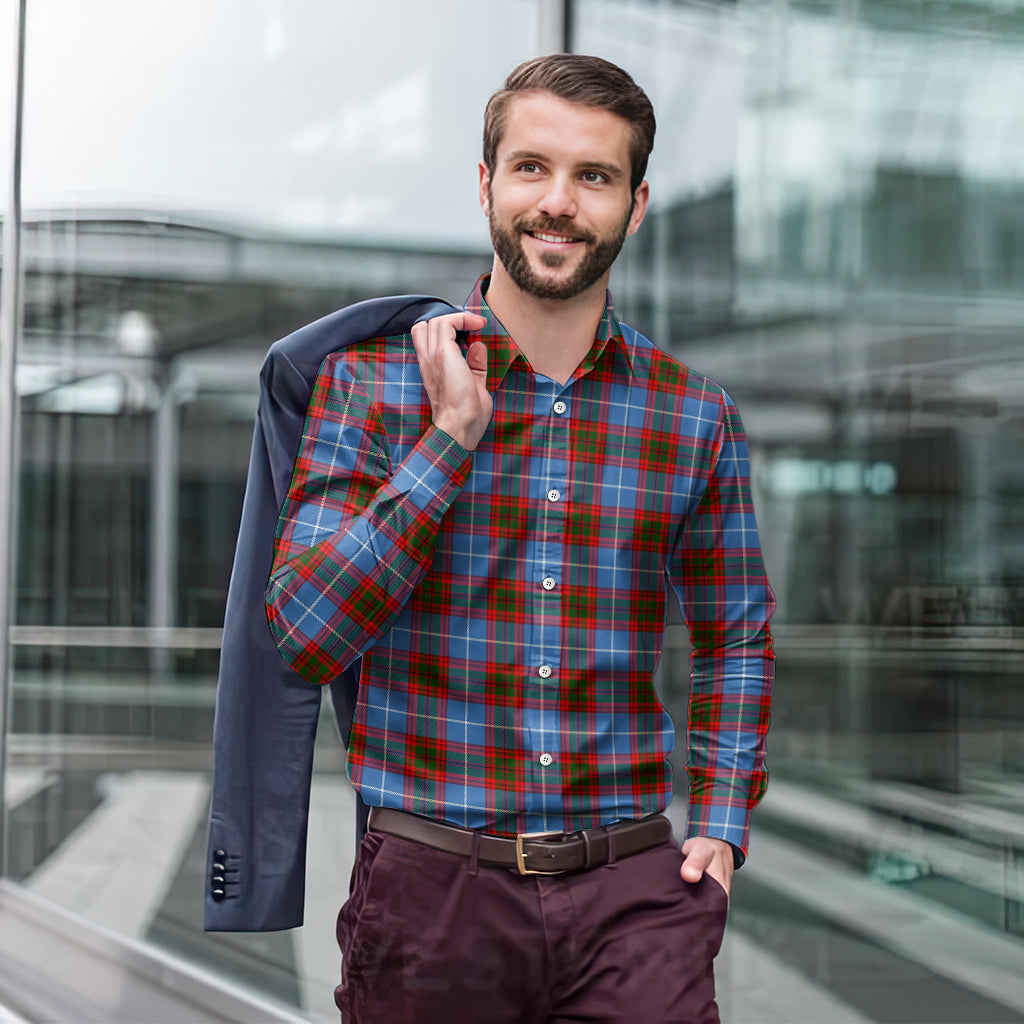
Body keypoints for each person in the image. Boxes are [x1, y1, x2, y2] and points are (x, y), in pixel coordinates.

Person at [265, 53, 775, 1023]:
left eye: (595, 176)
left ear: (636, 203)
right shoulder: (370, 389)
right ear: (486, 182)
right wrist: (448, 439)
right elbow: (304, 632)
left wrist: (718, 820)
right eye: (532, 167)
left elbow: (735, 632)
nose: (559, 202)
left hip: (634, 897)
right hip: (432, 896)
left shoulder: (692, 416)